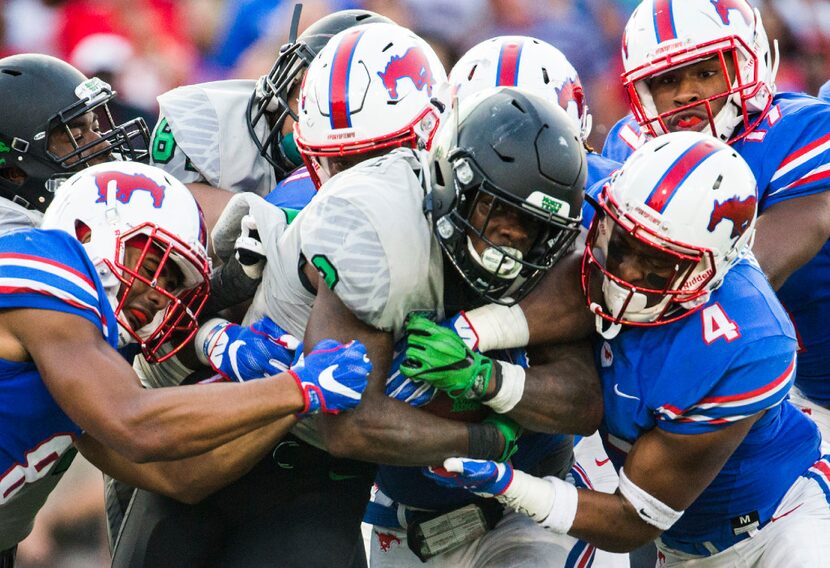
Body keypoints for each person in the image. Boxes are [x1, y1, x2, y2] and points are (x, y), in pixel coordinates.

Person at [421, 131, 830, 565]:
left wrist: (508, 484)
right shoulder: (606, 190)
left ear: (704, 273)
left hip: (777, 525)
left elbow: (632, 519)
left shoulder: (747, 343)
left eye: (657, 264)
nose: (625, 273)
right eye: (621, 243)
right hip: (672, 548)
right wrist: (475, 331)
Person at [0, 160, 371, 567]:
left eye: (174, 284)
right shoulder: (44, 265)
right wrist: (296, 386)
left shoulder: (91, 358)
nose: (162, 296)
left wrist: (288, 397)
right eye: (153, 266)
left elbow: (177, 476)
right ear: (87, 229)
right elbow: (135, 422)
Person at [600, 0, 830, 451]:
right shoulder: (627, 147)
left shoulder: (800, 128)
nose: (686, 93)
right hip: (748, 397)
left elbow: (755, 275)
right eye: (667, 80)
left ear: (746, 62)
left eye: (705, 73)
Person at [0, 53, 149, 232]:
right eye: (77, 137)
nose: (105, 146)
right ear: (14, 172)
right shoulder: (18, 244)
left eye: (96, 127)